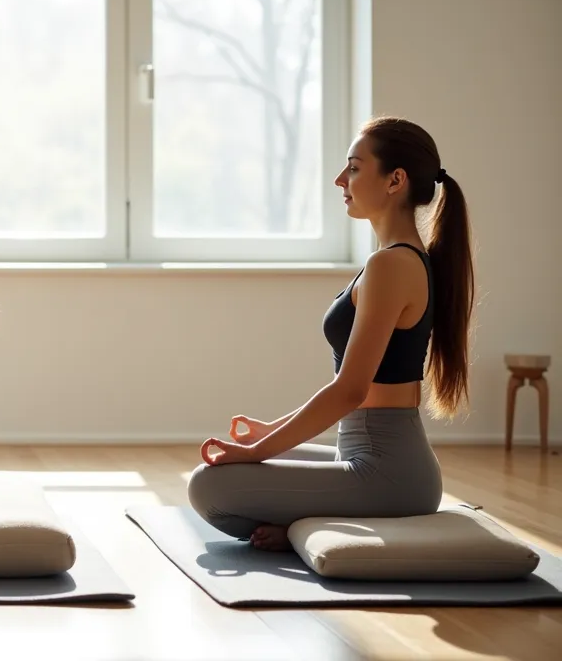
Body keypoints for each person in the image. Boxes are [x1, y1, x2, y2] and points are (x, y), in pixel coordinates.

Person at [186, 116, 475, 550]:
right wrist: (269, 433)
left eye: (355, 168)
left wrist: (256, 453)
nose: (342, 179)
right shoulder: (391, 261)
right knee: (225, 468)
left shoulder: (393, 265)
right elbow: (350, 387)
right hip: (364, 454)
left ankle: (314, 526)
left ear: (395, 180)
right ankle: (312, 525)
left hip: (389, 474)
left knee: (208, 487)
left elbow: (349, 391)